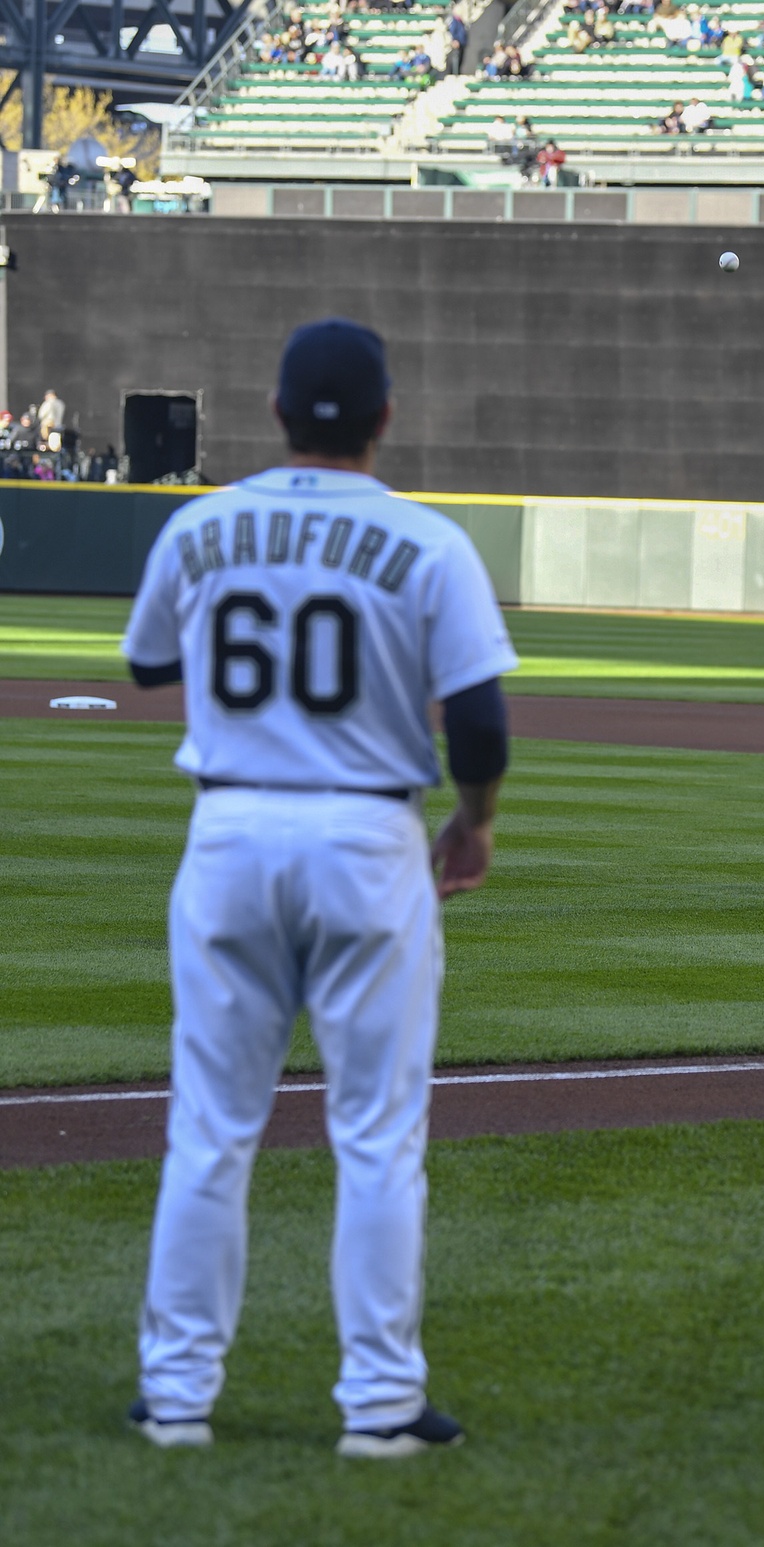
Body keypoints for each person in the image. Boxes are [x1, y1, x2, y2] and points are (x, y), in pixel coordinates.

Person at [122, 318, 519, 1455]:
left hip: (232, 829)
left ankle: (178, 1396)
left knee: (209, 1129)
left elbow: (149, 663)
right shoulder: (428, 542)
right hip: (367, 840)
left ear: (278, 410)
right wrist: (476, 822)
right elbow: (481, 723)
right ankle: (381, 1406)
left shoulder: (204, 524)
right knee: (379, 1137)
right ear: (385, 416)